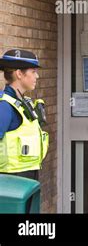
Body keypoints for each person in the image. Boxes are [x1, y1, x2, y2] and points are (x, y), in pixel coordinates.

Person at [0, 49, 48, 181]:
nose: (36, 77)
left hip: (26, 178)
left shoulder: (23, 102)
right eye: (33, 72)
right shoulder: (5, 106)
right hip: (11, 182)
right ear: (19, 74)